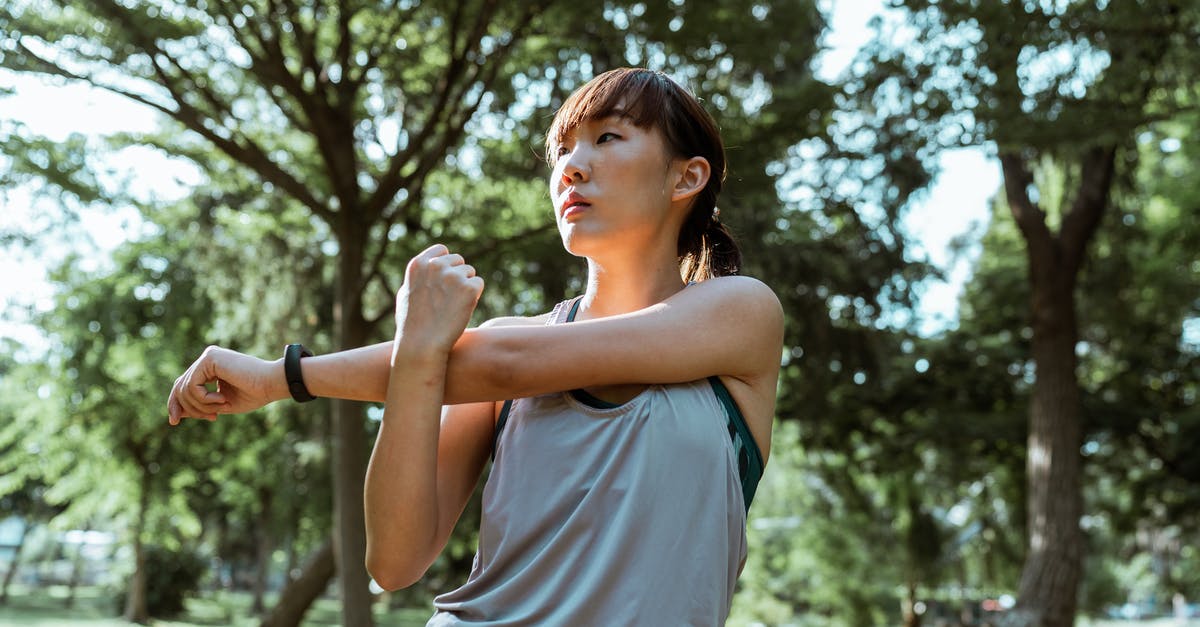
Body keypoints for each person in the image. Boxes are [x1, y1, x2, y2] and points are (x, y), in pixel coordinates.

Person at [167, 67, 783, 625]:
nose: (570, 165)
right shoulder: (492, 348)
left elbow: (502, 366)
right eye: (561, 149)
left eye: (608, 137)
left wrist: (283, 378)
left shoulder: (740, 314)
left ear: (687, 176)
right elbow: (394, 561)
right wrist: (417, 351)